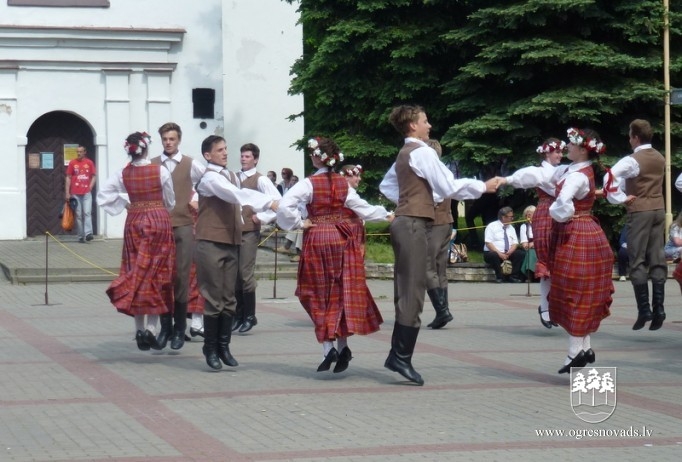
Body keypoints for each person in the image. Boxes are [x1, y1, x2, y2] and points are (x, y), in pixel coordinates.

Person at [380, 104, 496, 385]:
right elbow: (448, 186)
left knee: (410, 287)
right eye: (425, 120)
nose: (429, 125)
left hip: (409, 221)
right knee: (412, 290)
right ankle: (400, 357)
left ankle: (399, 354)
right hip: (411, 224)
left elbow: (386, 186)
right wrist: (483, 186)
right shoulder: (421, 151)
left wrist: (412, 201)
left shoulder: (405, 153)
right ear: (412, 126)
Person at [277, 137, 391, 374]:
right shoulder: (343, 184)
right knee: (339, 294)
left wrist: (299, 222)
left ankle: (328, 347)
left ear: (317, 157)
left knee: (317, 293)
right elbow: (364, 209)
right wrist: (386, 215)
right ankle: (342, 346)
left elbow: (285, 206)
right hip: (341, 240)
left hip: (318, 238)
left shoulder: (308, 184)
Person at [194, 135, 278, 370]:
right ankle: (210, 348)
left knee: (229, 297)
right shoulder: (210, 177)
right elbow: (235, 195)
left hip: (231, 240)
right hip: (210, 241)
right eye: (219, 150)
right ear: (208, 155)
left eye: (225, 149)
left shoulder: (230, 175)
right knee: (213, 297)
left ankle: (224, 346)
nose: (225, 153)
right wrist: (269, 203)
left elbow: (238, 197)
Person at [97, 132, 175, 350]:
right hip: (159, 222)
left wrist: (124, 203)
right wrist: (160, 209)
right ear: (146, 149)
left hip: (134, 222)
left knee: (137, 273)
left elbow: (103, 195)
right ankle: (151, 328)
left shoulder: (123, 173)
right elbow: (170, 200)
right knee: (157, 274)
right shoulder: (160, 170)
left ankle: (139, 329)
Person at [548, 127, 613, 373]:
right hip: (589, 232)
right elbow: (546, 177)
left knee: (573, 290)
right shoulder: (575, 170)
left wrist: (559, 216)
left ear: (583, 149)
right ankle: (584, 347)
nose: (567, 147)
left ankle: (575, 351)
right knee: (584, 290)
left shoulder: (576, 176)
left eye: (571, 144)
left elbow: (562, 202)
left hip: (577, 233)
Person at [494, 137, 565, 328]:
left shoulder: (563, 171)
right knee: (547, 262)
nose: (560, 155)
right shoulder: (540, 172)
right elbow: (522, 177)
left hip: (562, 214)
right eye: (556, 151)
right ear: (546, 152)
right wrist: (506, 179)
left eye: (561, 151)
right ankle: (545, 307)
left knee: (562, 262)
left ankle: (555, 306)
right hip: (546, 215)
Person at [603, 119, 666, 331]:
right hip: (659, 209)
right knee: (657, 257)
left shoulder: (632, 160)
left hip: (640, 211)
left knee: (636, 259)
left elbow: (609, 178)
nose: (629, 140)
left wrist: (621, 197)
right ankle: (659, 308)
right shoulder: (659, 157)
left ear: (636, 137)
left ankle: (644, 310)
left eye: (630, 136)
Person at [150, 122, 206, 351]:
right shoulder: (153, 164)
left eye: (172, 139)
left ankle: (180, 329)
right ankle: (165, 328)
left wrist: (197, 200)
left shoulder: (190, 163)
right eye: (165, 139)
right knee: (162, 277)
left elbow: (209, 183)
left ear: (179, 140)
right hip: (160, 225)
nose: (168, 142)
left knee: (182, 277)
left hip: (183, 224)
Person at [232, 143, 281, 333]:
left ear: (255, 159)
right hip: (233, 230)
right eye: (242, 156)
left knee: (245, 272)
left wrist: (261, 217)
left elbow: (278, 202)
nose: (243, 159)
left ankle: (250, 316)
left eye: (247, 156)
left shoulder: (260, 180)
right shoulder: (234, 177)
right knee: (235, 274)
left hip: (249, 231)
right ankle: (238, 314)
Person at [423, 139, 454, 329]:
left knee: (427, 266)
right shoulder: (446, 170)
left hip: (435, 223)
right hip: (447, 221)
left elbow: (435, 198)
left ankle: (442, 310)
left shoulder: (433, 172)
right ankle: (444, 309)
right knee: (440, 268)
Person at [483, 207, 526, 283]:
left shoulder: (511, 228)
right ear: (503, 217)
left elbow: (515, 242)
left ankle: (514, 276)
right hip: (493, 253)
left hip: (507, 253)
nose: (512, 219)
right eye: (510, 217)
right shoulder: (492, 226)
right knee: (493, 255)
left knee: (520, 254)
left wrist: (510, 252)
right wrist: (500, 254)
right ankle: (500, 277)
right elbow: (488, 243)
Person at [65, 144, 97, 243]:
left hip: (86, 193)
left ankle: (88, 234)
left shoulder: (89, 163)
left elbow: (94, 176)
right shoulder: (72, 163)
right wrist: (67, 192)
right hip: (75, 193)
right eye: (77, 152)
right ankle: (80, 235)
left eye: (80, 151)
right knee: (79, 215)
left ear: (84, 152)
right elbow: (68, 177)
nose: (78, 153)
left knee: (87, 213)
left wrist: (90, 186)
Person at [519, 205, 538, 281]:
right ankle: (530, 274)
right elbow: (524, 243)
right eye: (526, 215)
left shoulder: (540, 225)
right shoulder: (524, 226)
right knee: (530, 252)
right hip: (529, 249)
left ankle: (530, 274)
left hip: (540, 247)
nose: (527, 216)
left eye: (530, 214)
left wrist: (534, 243)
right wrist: (526, 244)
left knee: (532, 252)